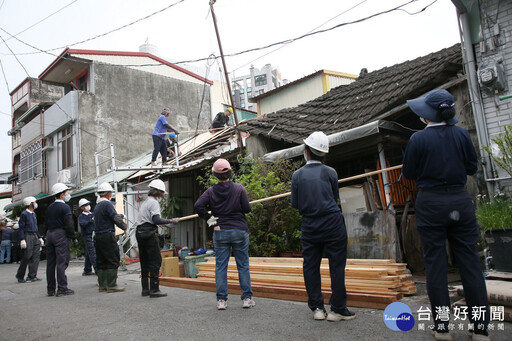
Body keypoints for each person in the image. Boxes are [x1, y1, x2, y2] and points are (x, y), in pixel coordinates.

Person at [403, 89, 489, 341]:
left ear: (427, 115)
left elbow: (408, 173)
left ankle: (442, 328)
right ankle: (481, 328)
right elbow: (472, 167)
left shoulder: (418, 140)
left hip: (431, 203)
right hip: (459, 200)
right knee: (470, 263)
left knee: (436, 264)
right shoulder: (461, 134)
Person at [291, 131, 355, 322]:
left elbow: (295, 204)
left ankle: (317, 308)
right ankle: (337, 309)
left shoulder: (297, 175)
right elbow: (334, 197)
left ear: (307, 151)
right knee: (337, 265)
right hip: (332, 221)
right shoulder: (331, 172)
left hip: (310, 223)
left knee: (310, 265)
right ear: (323, 153)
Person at [194, 159, 255, 310]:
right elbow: (247, 209)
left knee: (221, 266)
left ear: (215, 174)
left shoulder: (211, 191)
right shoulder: (239, 188)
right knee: (243, 265)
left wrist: (209, 218)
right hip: (239, 230)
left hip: (220, 231)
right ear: (230, 172)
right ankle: (247, 298)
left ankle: (221, 301)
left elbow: (198, 206)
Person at [135, 179, 178, 298]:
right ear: (158, 192)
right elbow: (156, 220)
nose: (163, 195)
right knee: (155, 260)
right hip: (149, 233)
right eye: (162, 193)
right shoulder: (154, 203)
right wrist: (170, 220)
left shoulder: (145, 202)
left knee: (144, 259)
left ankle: (145, 289)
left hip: (140, 232)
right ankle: (154, 290)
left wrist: (165, 223)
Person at [93, 182, 127, 293]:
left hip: (98, 236)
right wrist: (124, 227)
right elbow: (115, 218)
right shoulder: (107, 204)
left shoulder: (97, 206)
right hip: (107, 235)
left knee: (102, 260)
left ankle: (102, 286)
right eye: (111, 192)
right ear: (108, 194)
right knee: (113, 259)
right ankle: (112, 285)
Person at [46, 183, 76, 297]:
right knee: (61, 262)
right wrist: (73, 237)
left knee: (51, 263)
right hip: (60, 234)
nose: (68, 194)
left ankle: (50, 289)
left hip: (49, 234)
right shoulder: (65, 207)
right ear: (62, 195)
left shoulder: (50, 207)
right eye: (67, 192)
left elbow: (46, 223)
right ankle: (62, 288)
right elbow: (69, 224)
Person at [16, 196, 43, 283]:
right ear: (30, 204)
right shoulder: (24, 214)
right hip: (27, 235)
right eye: (34, 202)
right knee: (27, 256)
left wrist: (39, 237)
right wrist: (22, 239)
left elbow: (35, 227)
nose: (36, 204)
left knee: (36, 256)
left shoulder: (34, 214)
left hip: (34, 235)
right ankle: (20, 275)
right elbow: (21, 228)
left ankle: (32, 276)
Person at [78, 198, 96, 276]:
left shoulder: (92, 214)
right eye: (85, 205)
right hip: (87, 236)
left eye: (88, 204)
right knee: (92, 253)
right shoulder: (81, 216)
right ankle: (97, 269)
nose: (88, 206)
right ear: (82, 207)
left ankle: (87, 270)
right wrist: (91, 220)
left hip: (94, 235)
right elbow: (83, 224)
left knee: (89, 253)